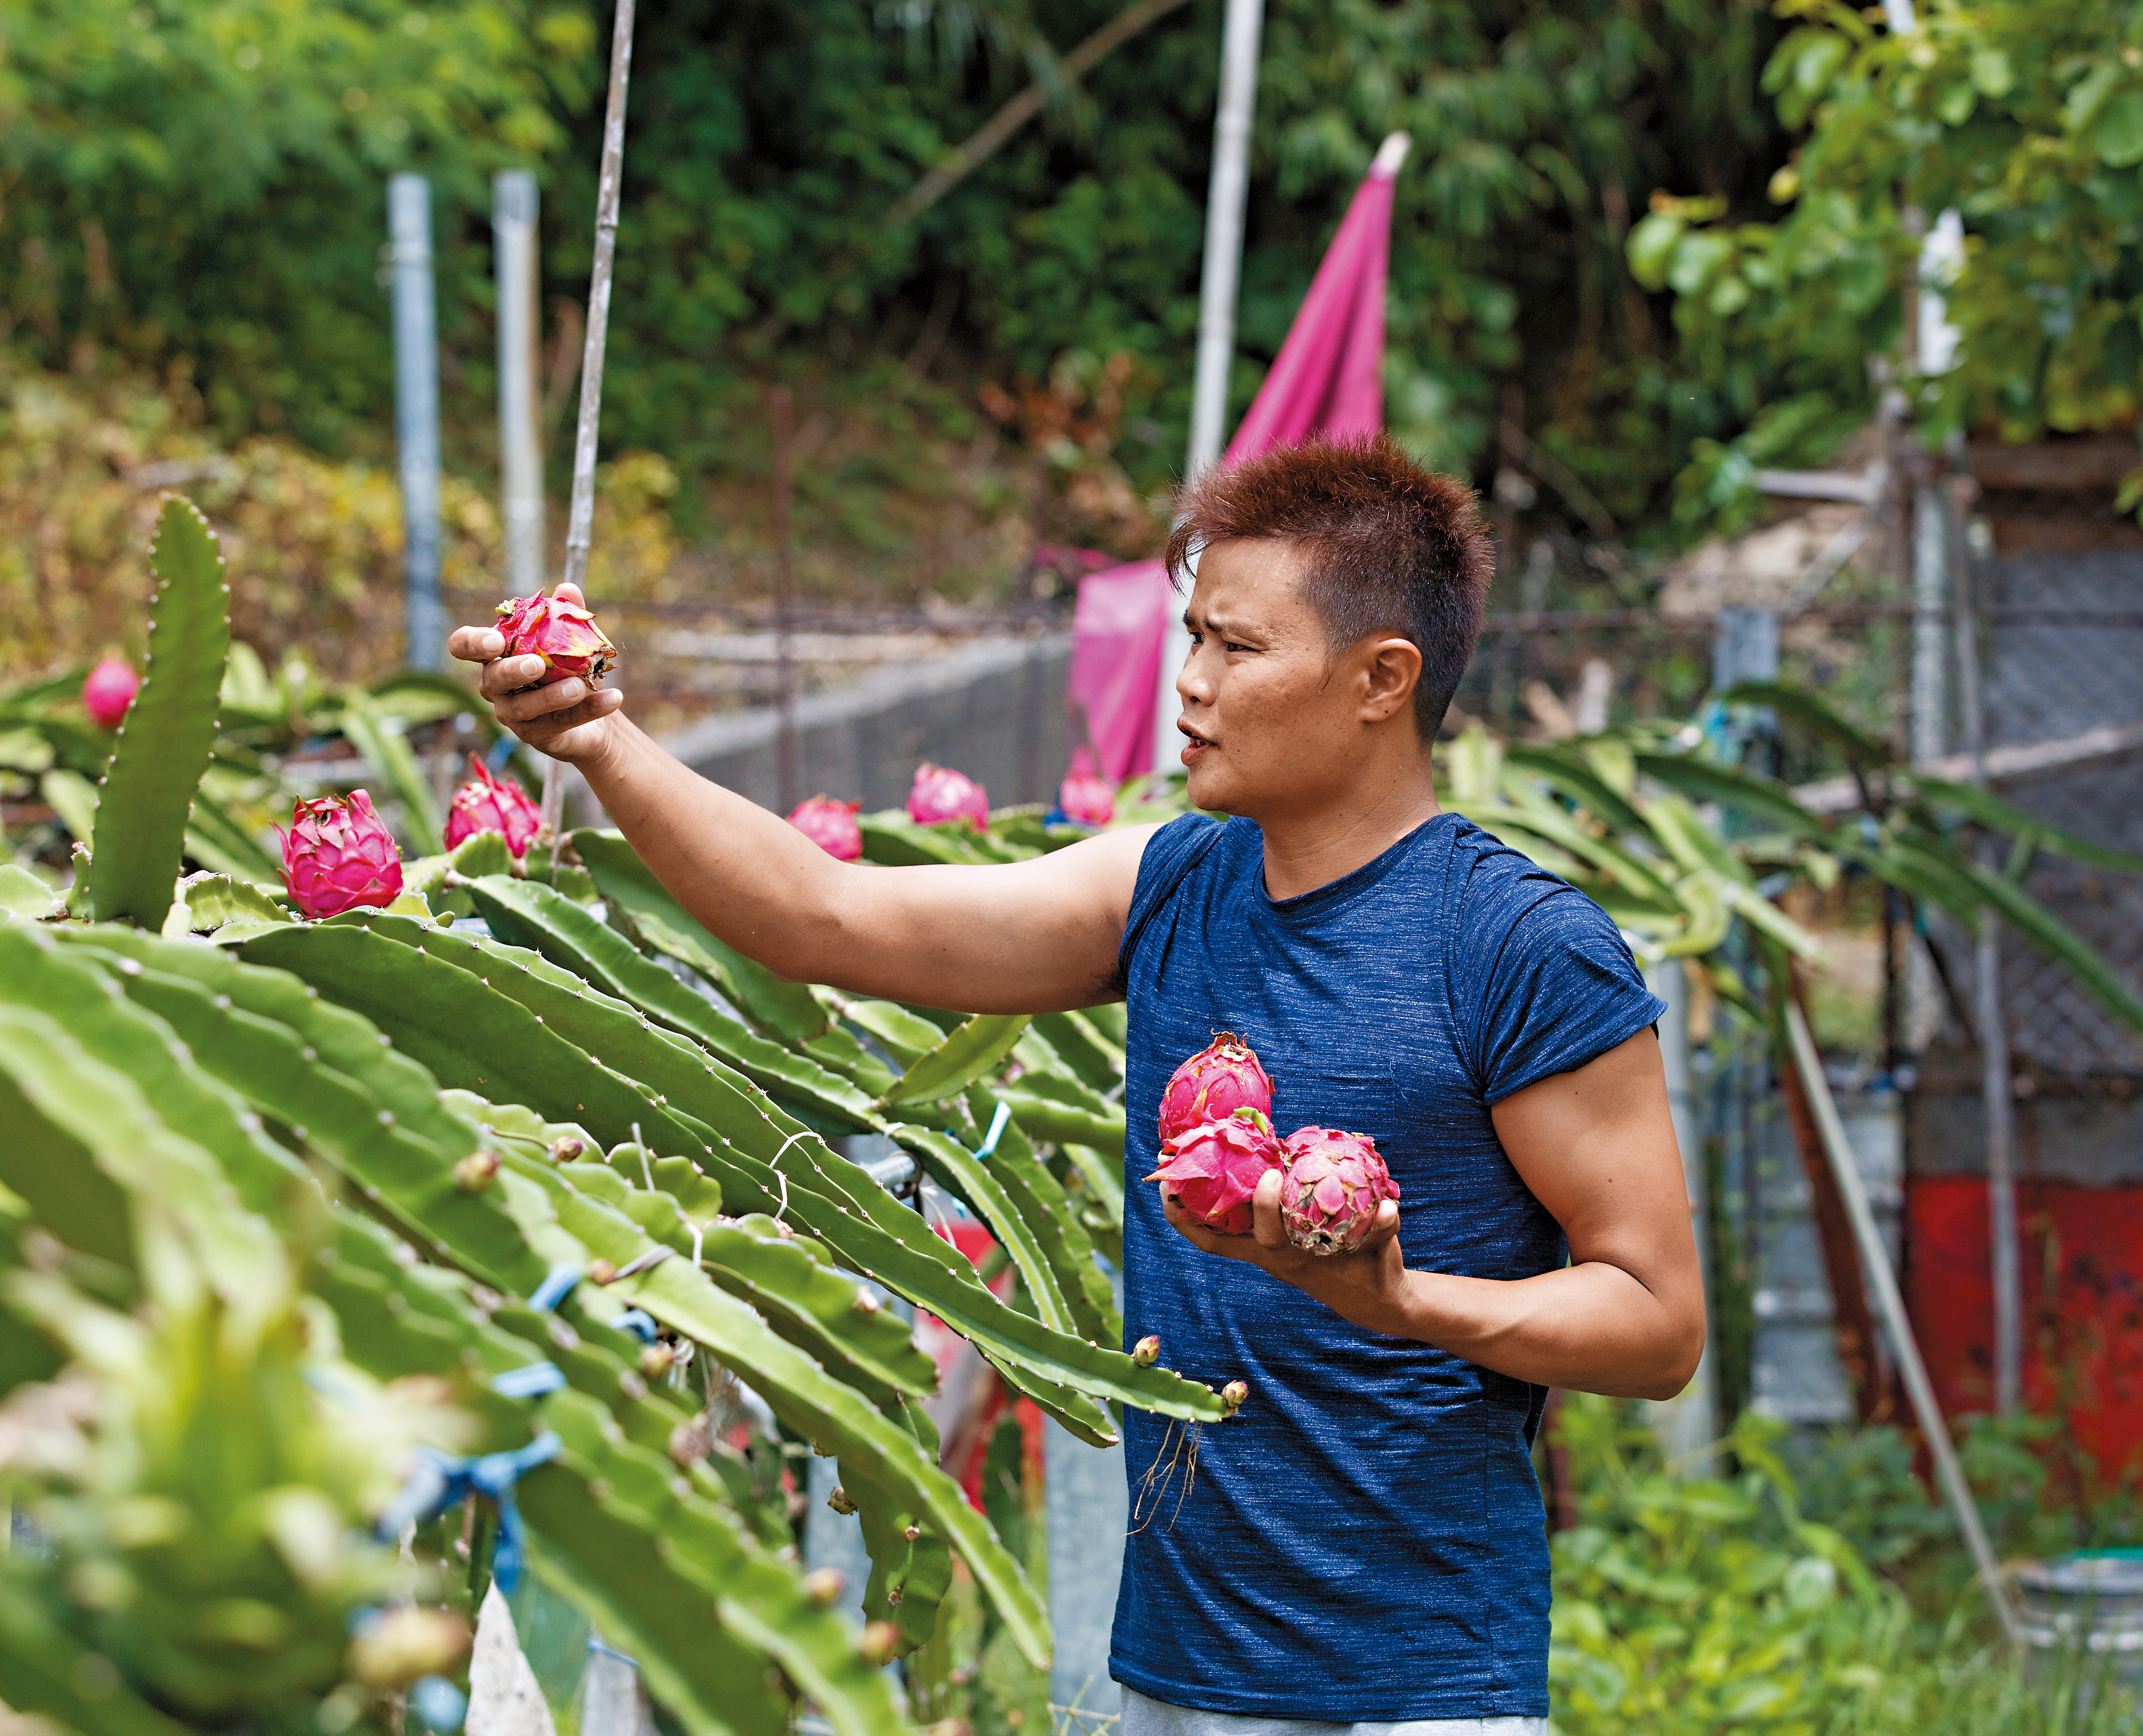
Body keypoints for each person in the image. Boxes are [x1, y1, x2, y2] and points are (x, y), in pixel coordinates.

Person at [449, 432, 1705, 1735]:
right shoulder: (1165, 886)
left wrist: (1398, 1301)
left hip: (1418, 1692)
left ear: (1380, 678)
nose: (1189, 685)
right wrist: (601, 739)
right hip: (1169, 1668)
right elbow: (823, 915)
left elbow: (1656, 1321)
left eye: (1235, 646)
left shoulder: (1516, 945)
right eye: (1192, 639)